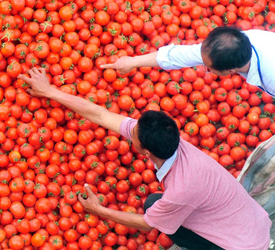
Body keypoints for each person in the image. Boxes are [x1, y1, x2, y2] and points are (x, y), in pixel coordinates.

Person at [18, 67, 272, 250]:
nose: (131, 132)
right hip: (247, 221)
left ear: (145, 152)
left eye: (134, 136)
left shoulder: (181, 190)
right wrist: (50, 92)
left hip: (243, 245)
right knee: (153, 202)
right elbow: (100, 115)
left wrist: (97, 210)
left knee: (154, 210)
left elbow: (145, 225)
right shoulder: (171, 141)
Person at [101, 26, 275, 97]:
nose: (204, 66)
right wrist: (132, 62)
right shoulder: (239, 42)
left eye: (208, 68)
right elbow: (180, 55)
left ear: (229, 72)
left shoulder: (270, 77)